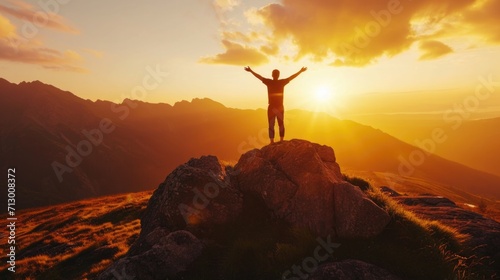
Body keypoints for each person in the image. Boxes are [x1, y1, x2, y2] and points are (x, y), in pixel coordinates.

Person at [244, 66, 307, 144]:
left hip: (271, 107)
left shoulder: (269, 82)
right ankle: (281, 140)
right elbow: (292, 77)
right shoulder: (282, 82)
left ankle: (272, 141)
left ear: (272, 75)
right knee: (281, 123)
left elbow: (259, 77)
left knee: (271, 124)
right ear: (278, 75)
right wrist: (300, 71)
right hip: (280, 106)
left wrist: (251, 71)